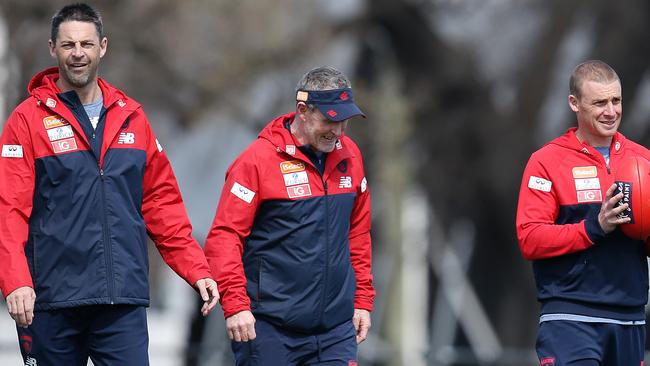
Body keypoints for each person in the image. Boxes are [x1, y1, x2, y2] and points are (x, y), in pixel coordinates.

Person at [0, 4, 219, 365]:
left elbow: (162, 205)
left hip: (121, 301)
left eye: (86, 44)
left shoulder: (132, 117)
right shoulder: (27, 121)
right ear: (53, 49)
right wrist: (17, 281)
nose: (78, 54)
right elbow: (9, 210)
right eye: (68, 45)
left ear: (102, 46)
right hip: (54, 300)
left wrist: (197, 269)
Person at [204, 66, 375, 365]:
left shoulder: (350, 156)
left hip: (335, 331)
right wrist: (236, 306)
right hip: (270, 330)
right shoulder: (256, 161)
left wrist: (362, 299)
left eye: (344, 121)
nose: (337, 132)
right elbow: (224, 238)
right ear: (302, 111)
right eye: (330, 120)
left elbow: (357, 234)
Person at [516, 60, 650, 365]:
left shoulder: (643, 160)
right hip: (569, 318)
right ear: (574, 103)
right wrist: (594, 227)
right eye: (599, 102)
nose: (611, 111)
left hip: (630, 318)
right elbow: (530, 237)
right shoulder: (546, 162)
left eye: (616, 101)